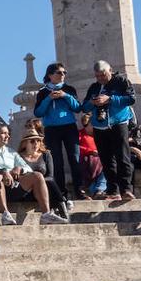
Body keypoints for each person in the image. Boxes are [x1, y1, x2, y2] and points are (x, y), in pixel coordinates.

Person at [0, 124, 68, 226]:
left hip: (10, 187)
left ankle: (46, 214)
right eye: (4, 133)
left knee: (37, 176)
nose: (8, 136)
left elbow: (27, 167)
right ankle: (5, 214)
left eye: (8, 134)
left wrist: (19, 169)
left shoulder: (11, 152)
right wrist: (4, 171)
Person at [82, 60, 136, 200]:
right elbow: (84, 107)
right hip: (99, 127)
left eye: (103, 75)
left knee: (122, 157)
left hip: (118, 123)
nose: (101, 78)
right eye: (98, 76)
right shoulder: (94, 87)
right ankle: (113, 191)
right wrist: (92, 103)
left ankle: (127, 189)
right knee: (106, 160)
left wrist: (110, 99)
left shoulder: (121, 81)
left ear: (110, 70)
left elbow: (131, 99)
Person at [33, 62, 84, 199]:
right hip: (51, 129)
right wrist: (49, 99)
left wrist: (65, 96)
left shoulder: (69, 89)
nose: (63, 75)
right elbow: (38, 112)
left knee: (75, 158)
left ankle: (80, 190)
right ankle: (61, 192)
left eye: (64, 73)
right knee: (56, 161)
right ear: (50, 75)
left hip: (69, 127)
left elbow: (77, 108)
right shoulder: (43, 92)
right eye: (59, 72)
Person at [17, 132, 73, 220]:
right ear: (25, 143)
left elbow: (50, 176)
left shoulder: (46, 155)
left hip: (45, 189)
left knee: (49, 181)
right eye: (32, 141)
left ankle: (64, 213)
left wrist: (40, 182)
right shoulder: (18, 157)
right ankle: (63, 205)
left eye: (38, 141)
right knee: (43, 180)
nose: (36, 144)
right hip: (28, 191)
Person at [77, 112, 107, 198]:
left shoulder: (99, 134)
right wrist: (90, 151)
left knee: (107, 164)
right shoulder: (80, 134)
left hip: (99, 159)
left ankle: (99, 190)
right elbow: (77, 148)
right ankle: (97, 191)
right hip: (86, 159)